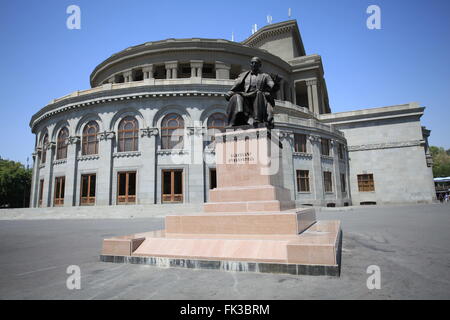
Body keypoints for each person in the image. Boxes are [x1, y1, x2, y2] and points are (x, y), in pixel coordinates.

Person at [224, 57, 280, 129]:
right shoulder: (244, 75)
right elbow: (236, 87)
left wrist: (276, 84)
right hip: (246, 98)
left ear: (260, 65)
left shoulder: (265, 76)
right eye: (252, 63)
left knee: (259, 93)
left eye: (256, 63)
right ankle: (236, 121)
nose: (253, 64)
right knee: (236, 96)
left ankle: (257, 120)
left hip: (259, 99)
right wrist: (230, 93)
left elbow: (272, 85)